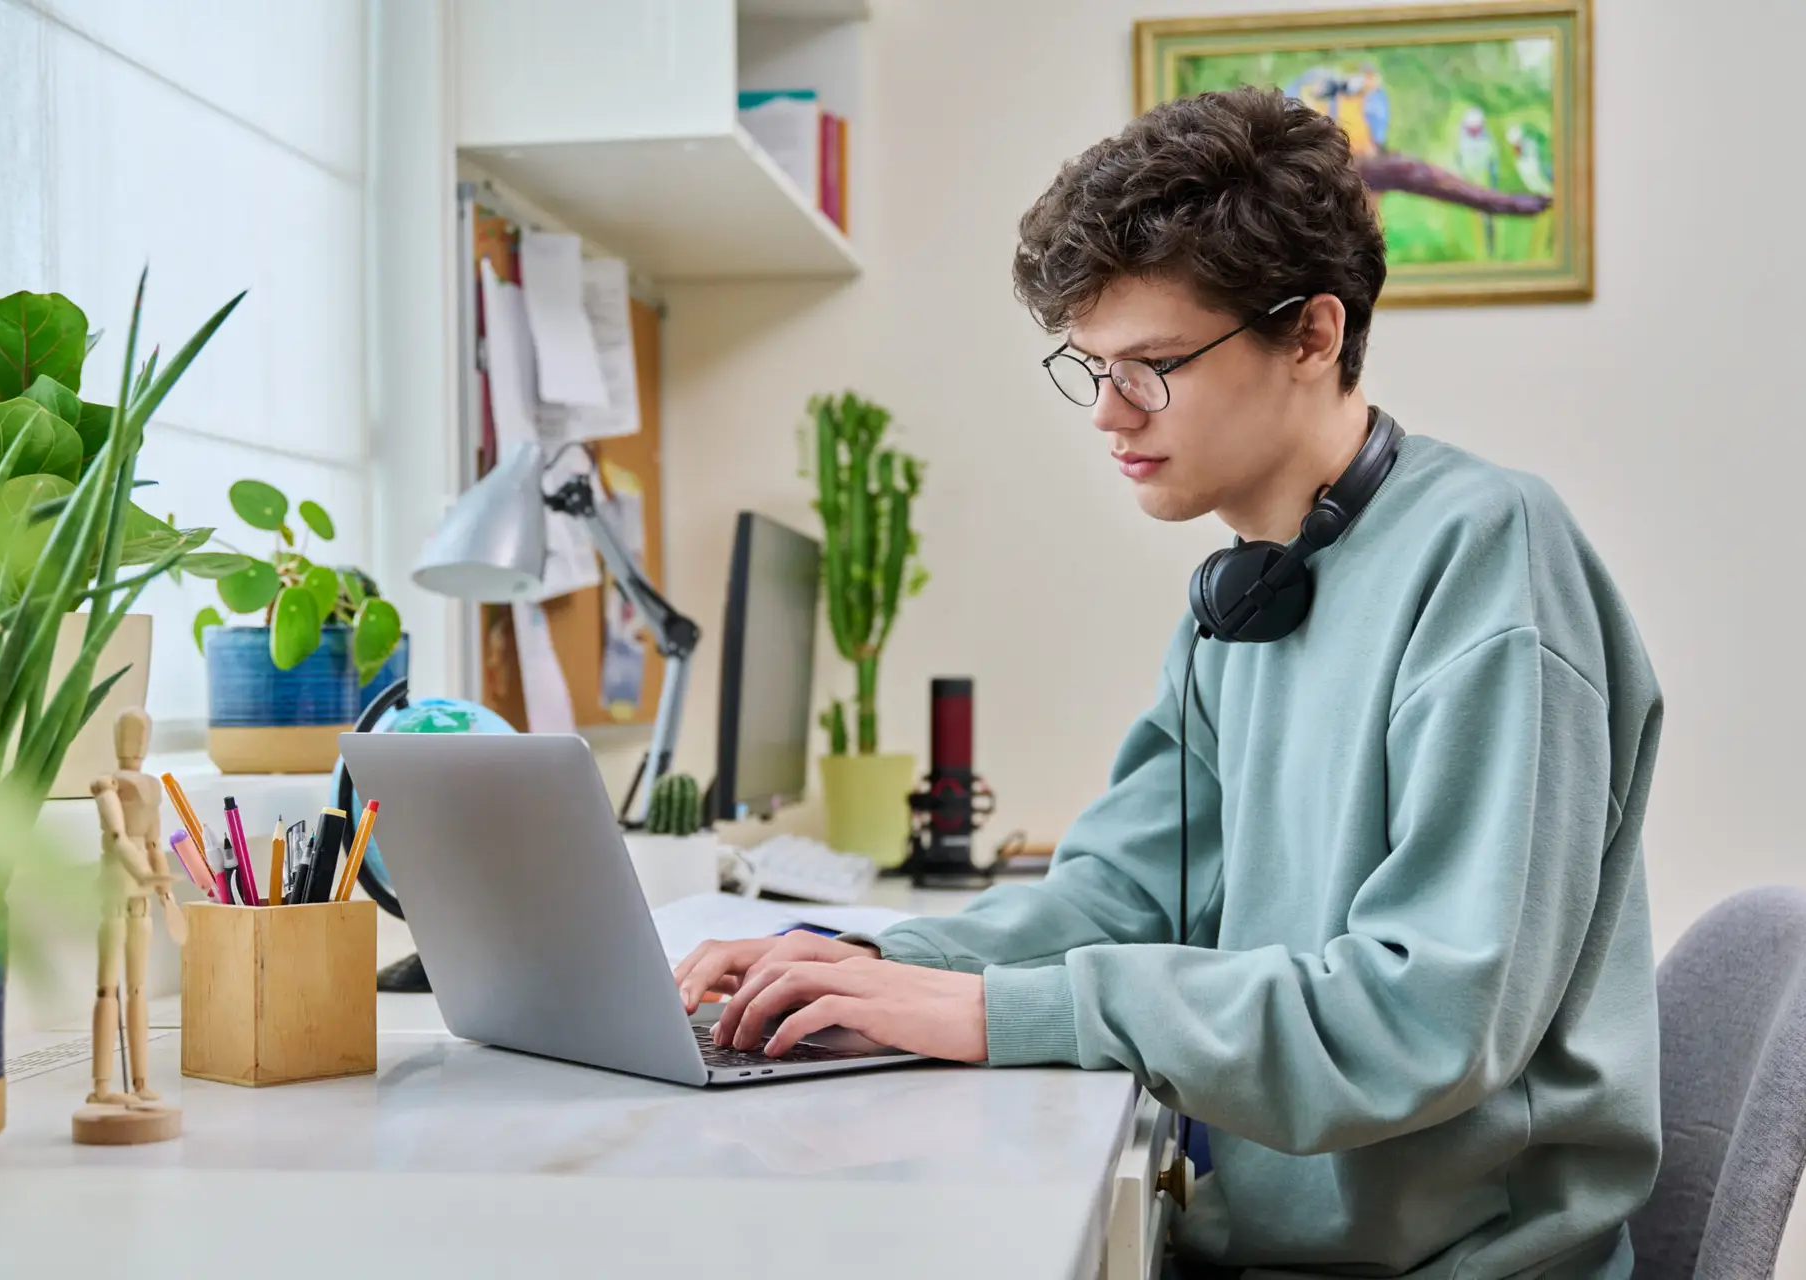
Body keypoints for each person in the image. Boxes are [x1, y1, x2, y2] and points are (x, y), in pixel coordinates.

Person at [675, 86, 1661, 1279]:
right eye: (1089, 366)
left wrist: (1002, 1014)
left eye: (1151, 367)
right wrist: (877, 968)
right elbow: (1114, 899)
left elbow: (1427, 1018)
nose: (1106, 412)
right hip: (1264, 1247)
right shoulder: (1244, 594)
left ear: (1310, 335)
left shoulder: (1490, 554)